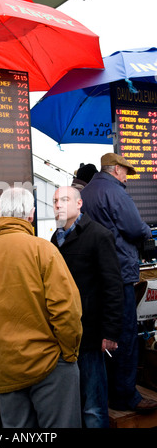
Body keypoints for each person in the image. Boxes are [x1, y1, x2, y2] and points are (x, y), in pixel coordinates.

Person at [0, 187, 83, 428]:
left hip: (6, 366)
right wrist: (69, 353)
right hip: (50, 363)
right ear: (31, 215)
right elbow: (67, 309)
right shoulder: (44, 250)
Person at [81, 152, 157, 413]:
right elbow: (135, 228)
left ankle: (108, 394)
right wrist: (148, 232)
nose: (127, 177)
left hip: (94, 276)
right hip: (119, 272)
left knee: (104, 337)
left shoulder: (87, 191)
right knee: (124, 334)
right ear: (115, 170)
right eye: (125, 171)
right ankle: (126, 396)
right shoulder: (116, 192)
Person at [51, 186, 124, 427]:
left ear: (79, 204)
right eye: (54, 201)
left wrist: (111, 332)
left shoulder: (99, 235)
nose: (58, 205)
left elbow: (113, 286)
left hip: (90, 333)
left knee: (93, 406)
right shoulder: (55, 238)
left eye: (64, 200)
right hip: (63, 333)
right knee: (71, 403)